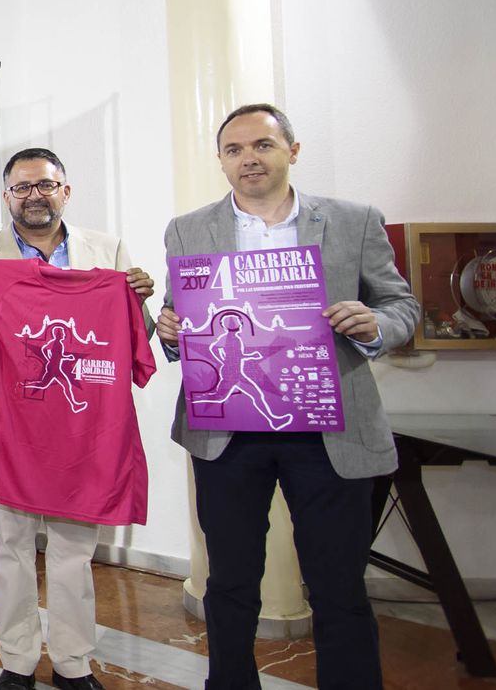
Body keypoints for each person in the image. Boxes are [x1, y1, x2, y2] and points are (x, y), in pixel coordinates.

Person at [156, 104, 417, 690]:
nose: (248, 159)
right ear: (221, 160)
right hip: (227, 435)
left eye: (263, 146)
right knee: (229, 582)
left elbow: (401, 305)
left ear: (291, 151)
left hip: (329, 430)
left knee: (338, 586)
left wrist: (375, 323)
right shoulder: (187, 229)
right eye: (234, 150)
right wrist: (168, 330)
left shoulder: (353, 220)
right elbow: (180, 314)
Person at [0, 147, 154, 690]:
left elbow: (132, 336)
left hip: (83, 434)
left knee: (74, 552)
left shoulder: (108, 251)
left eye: (45, 185)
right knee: (11, 549)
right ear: (7, 197)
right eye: (22, 187)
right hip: (10, 432)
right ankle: (17, 661)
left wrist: (138, 299)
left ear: (65, 191)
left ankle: (73, 662)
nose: (34, 196)